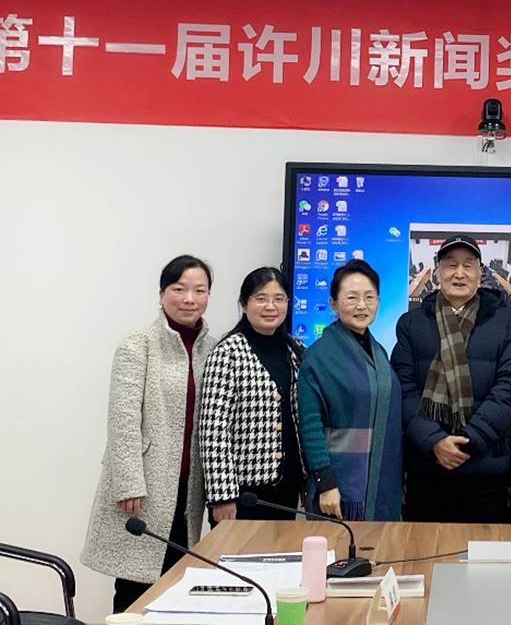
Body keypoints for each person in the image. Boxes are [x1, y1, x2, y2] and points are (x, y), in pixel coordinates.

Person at [82, 255, 217, 613]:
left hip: (188, 489)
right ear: (161, 294)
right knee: (135, 585)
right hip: (145, 487)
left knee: (178, 580)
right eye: (179, 289)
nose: (189, 299)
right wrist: (128, 482)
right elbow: (123, 418)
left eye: (199, 290)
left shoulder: (212, 348)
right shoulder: (138, 343)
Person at [391, 234, 511, 523]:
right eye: (451, 265)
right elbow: (403, 388)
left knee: (483, 550)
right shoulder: (411, 323)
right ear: (438, 270)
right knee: (424, 547)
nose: (459, 273)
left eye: (468, 265)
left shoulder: (506, 322)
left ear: (480, 272)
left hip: (485, 467)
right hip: (427, 466)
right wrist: (434, 441)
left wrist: (469, 440)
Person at [298, 260, 402, 521]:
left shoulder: (379, 353)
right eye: (352, 297)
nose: (362, 305)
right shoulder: (318, 356)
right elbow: (310, 425)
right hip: (340, 486)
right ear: (333, 303)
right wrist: (325, 482)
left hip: (381, 481)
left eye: (369, 297)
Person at [199, 267, 305, 523]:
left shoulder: (296, 350)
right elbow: (213, 429)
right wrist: (222, 496)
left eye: (279, 299)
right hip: (243, 494)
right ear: (244, 303)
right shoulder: (227, 352)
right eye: (261, 298)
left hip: (287, 486)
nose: (270, 306)